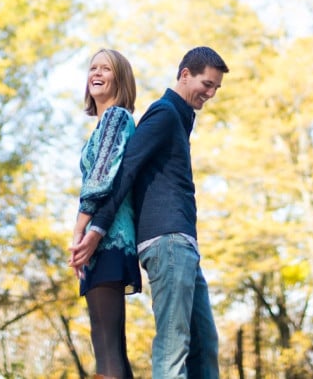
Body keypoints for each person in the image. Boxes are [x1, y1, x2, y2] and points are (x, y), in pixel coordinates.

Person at [70, 46, 229, 379]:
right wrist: (94, 229)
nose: (211, 93)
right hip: (168, 240)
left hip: (183, 243)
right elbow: (125, 171)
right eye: (207, 84)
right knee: (172, 348)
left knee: (204, 345)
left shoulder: (173, 117)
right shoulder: (163, 113)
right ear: (185, 74)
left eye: (216, 87)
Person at [71, 48, 143, 379]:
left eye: (106, 68)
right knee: (104, 346)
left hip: (110, 239)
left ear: (120, 78)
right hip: (97, 243)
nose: (96, 73)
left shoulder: (116, 118)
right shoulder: (101, 126)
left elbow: (101, 180)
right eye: (92, 68)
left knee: (109, 349)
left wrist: (79, 232)